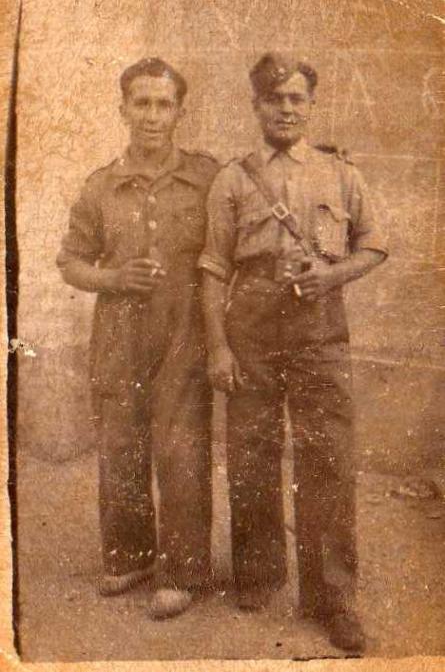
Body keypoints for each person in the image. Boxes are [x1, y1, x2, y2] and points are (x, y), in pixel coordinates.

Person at [199, 52, 388, 652]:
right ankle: (258, 575)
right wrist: (219, 346)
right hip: (251, 323)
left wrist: (333, 276)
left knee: (327, 456)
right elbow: (212, 269)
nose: (286, 109)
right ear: (256, 106)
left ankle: (332, 597)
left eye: (296, 98)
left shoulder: (341, 174)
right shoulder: (233, 179)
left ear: (310, 105)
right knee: (251, 450)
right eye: (274, 99)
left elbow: (373, 245)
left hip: (319, 322)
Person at [57, 57, 219, 619]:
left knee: (182, 450)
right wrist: (114, 278)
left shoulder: (206, 178)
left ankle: (183, 571)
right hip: (119, 334)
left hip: (184, 332)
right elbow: (71, 262)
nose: (152, 115)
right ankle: (131, 557)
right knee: (121, 445)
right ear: (123, 109)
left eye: (163, 104)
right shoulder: (101, 186)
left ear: (179, 112)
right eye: (141, 103)